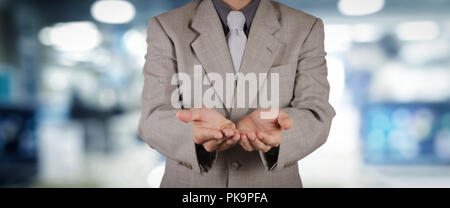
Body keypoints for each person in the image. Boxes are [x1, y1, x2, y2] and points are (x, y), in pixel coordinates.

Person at [138, 0, 335, 188]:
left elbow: (316, 111)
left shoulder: (305, 27)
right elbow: (152, 118)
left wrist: (284, 130)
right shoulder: (167, 27)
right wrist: (190, 133)